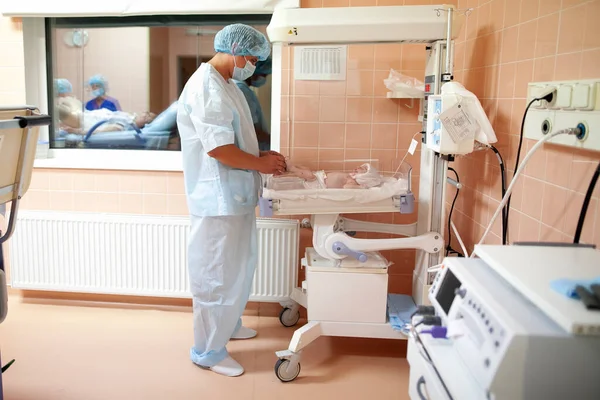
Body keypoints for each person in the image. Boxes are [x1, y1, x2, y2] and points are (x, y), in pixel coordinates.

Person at [176, 23, 286, 377]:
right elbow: (219, 148)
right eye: (251, 57)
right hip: (217, 198)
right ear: (234, 49)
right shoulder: (207, 87)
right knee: (216, 274)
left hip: (233, 194)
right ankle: (207, 349)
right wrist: (260, 164)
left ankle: (229, 324)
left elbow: (239, 137)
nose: (253, 64)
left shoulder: (228, 85)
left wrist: (263, 157)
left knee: (239, 265)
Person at [234, 57, 272, 151]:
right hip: (254, 149)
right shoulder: (243, 91)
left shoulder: (240, 88)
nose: (263, 79)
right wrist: (271, 139)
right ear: (253, 73)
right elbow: (250, 129)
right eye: (263, 75)